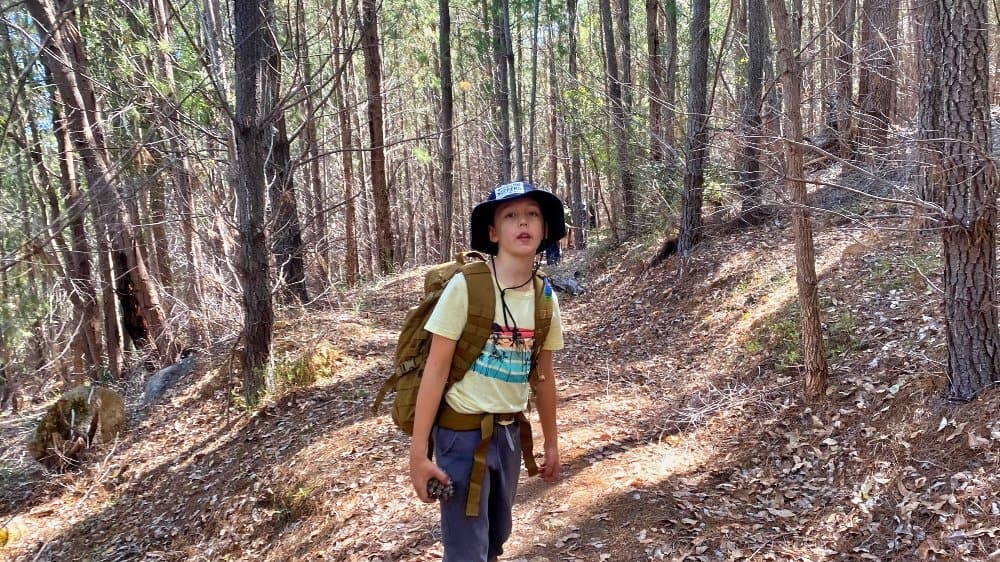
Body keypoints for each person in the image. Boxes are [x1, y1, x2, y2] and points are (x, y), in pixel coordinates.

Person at [409, 181, 566, 561]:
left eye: (532, 215)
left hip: (511, 433)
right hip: (461, 435)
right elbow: (435, 369)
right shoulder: (467, 287)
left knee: (494, 538)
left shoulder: (545, 298)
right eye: (510, 216)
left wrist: (552, 441)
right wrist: (418, 454)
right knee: (467, 550)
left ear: (544, 230)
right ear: (493, 233)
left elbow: (544, 378)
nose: (522, 222)